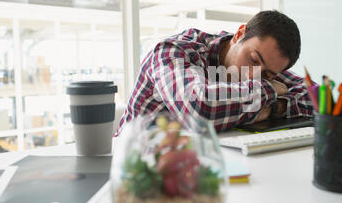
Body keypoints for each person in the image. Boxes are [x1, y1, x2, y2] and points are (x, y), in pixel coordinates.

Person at [115, 10, 314, 135]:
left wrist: (276, 107)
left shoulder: (264, 66)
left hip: (192, 167)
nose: (254, 76)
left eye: (268, 75)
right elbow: (199, 109)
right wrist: (269, 91)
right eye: (253, 60)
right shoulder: (175, 51)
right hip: (135, 169)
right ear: (239, 34)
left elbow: (317, 95)